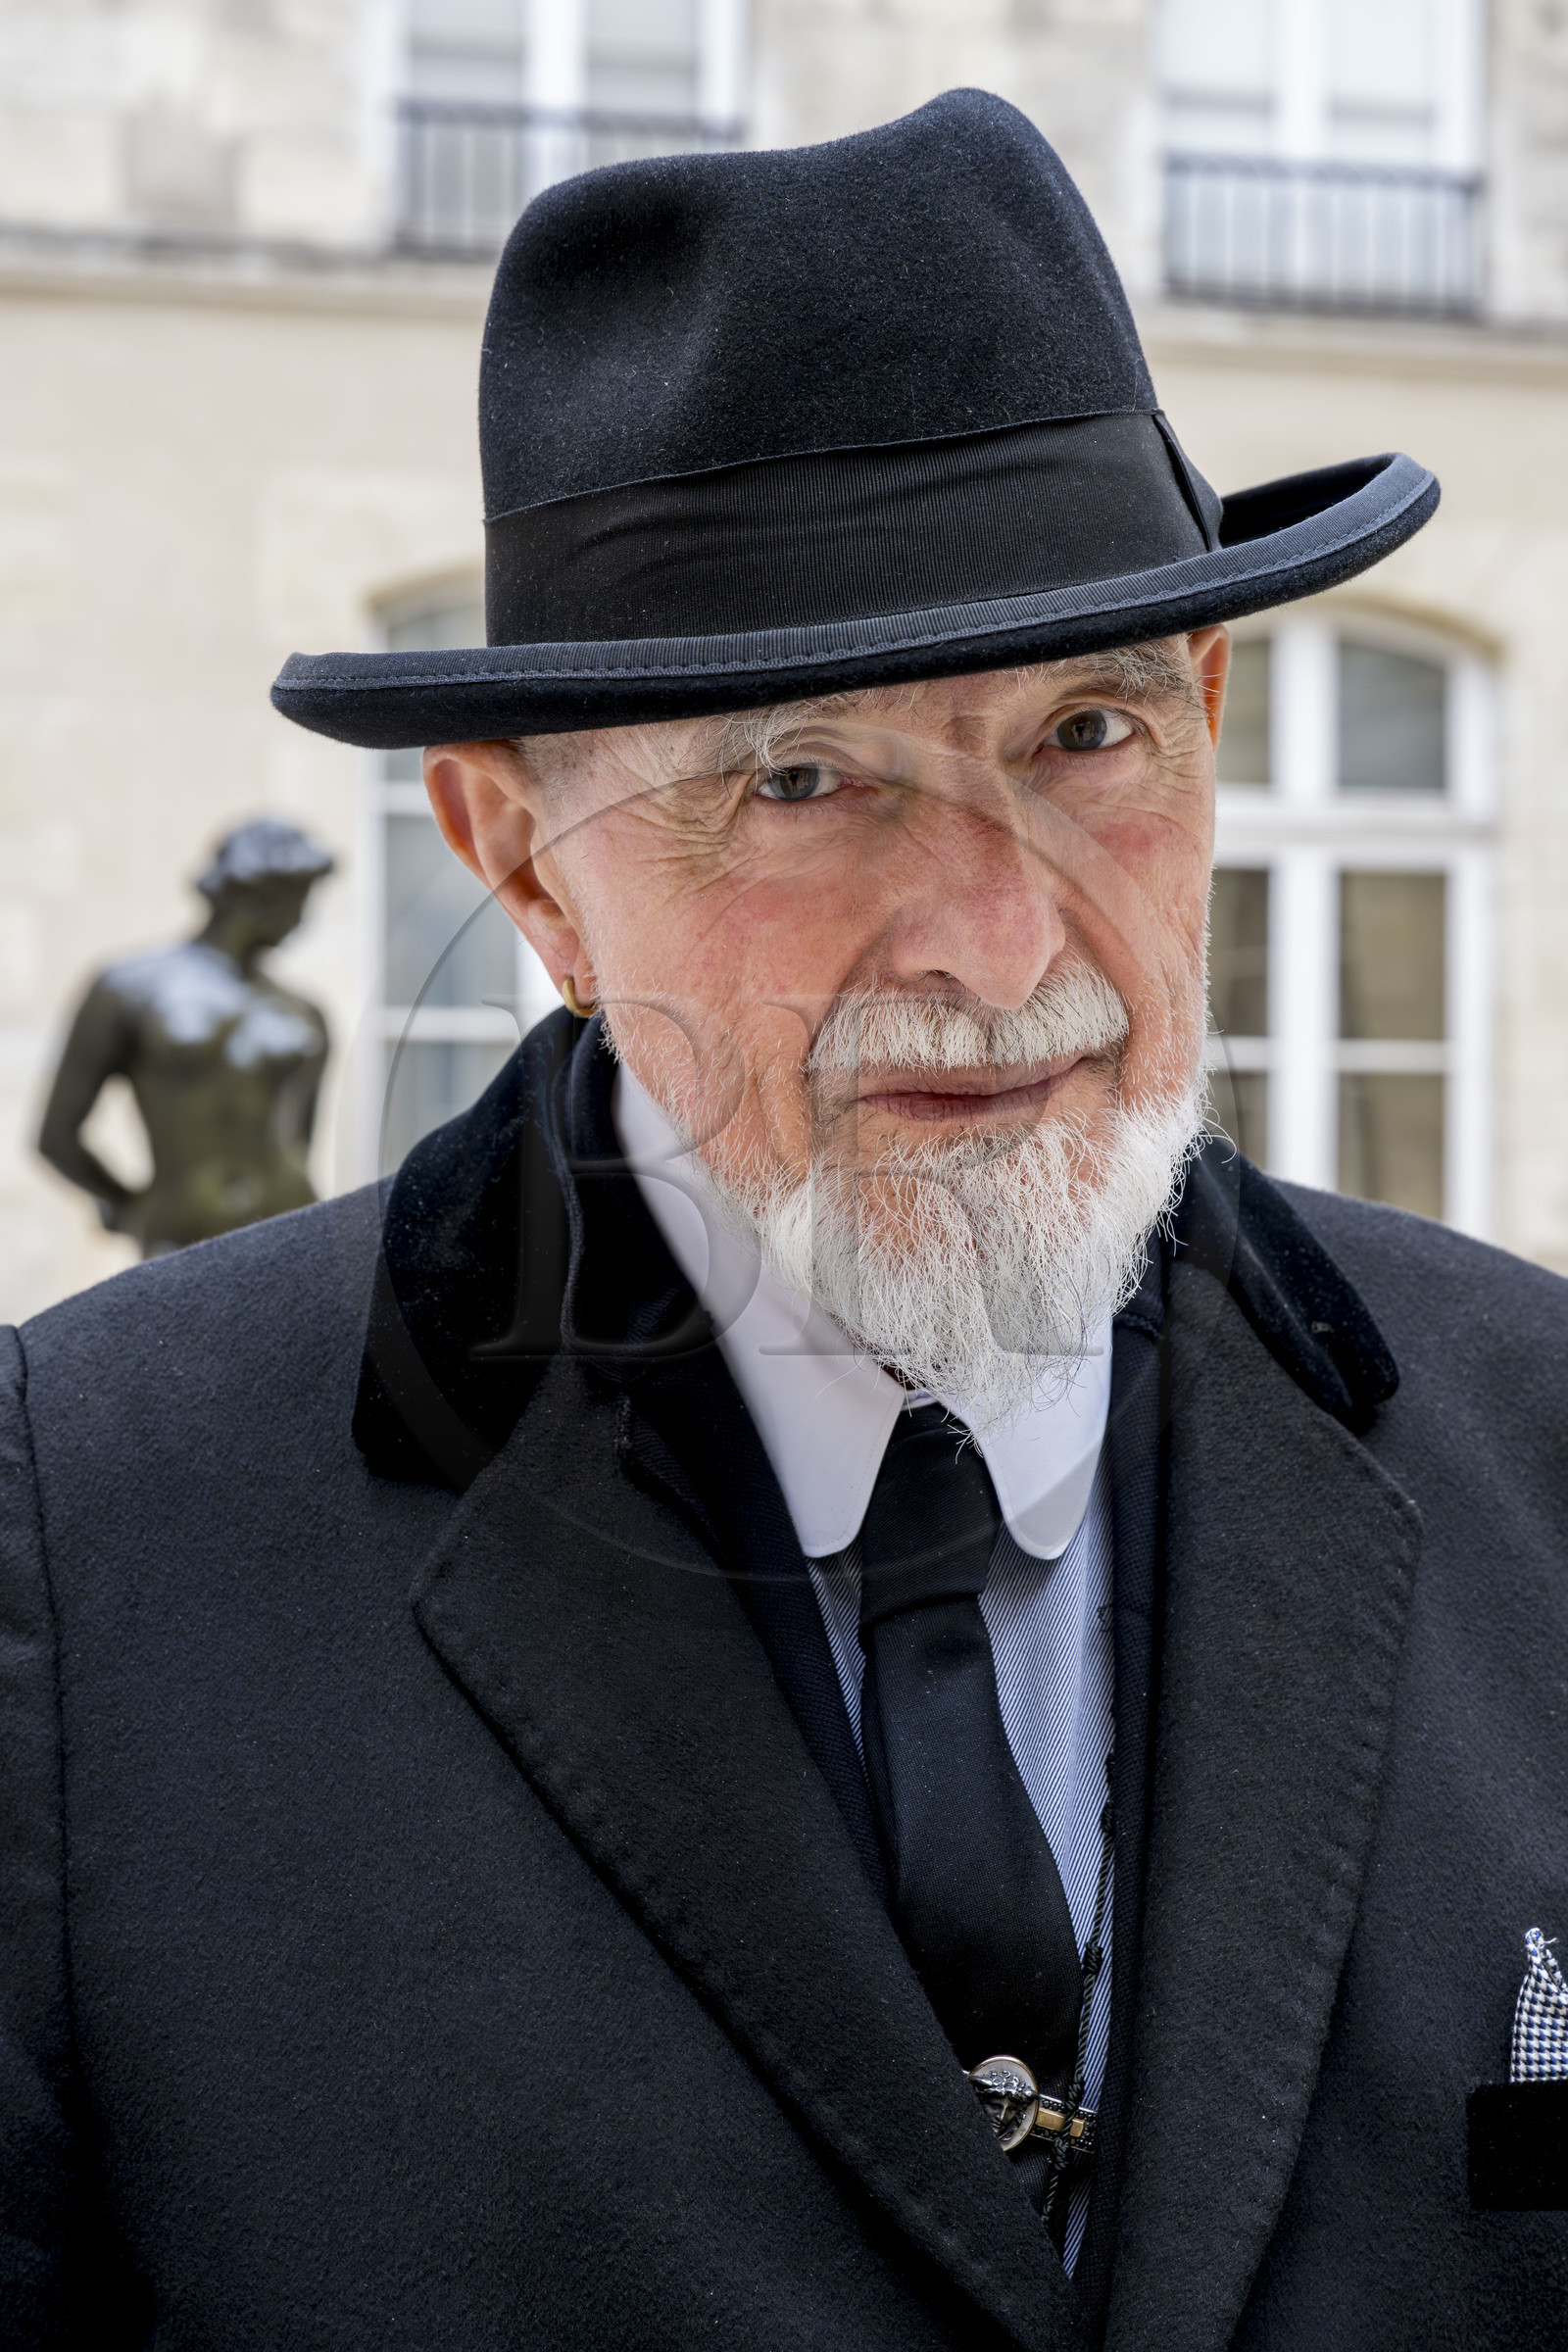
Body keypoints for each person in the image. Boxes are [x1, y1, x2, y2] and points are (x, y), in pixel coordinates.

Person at [2, 91, 1564, 2352]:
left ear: (1210, 714)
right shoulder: (93, 1534)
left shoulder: (1545, 1446)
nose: (996, 929)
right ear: (517, 854)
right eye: (800, 776)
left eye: (1086, 732)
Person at [36, 817, 333, 1253]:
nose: (304, 917)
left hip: (289, 1235)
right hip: (177, 1239)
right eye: (300, 897)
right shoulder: (130, 988)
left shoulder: (305, 1013)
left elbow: (300, 1142)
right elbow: (58, 1137)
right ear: (262, 894)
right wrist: (129, 1204)